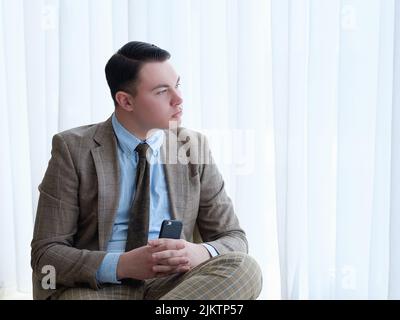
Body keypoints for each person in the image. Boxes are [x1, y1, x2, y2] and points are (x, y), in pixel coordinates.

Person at [31, 41, 262, 300]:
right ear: (126, 101)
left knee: (246, 268)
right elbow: (46, 254)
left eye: (177, 85)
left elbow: (234, 238)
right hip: (98, 288)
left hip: (176, 286)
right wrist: (123, 264)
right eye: (162, 91)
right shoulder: (73, 150)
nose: (179, 99)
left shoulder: (192, 147)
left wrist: (198, 253)